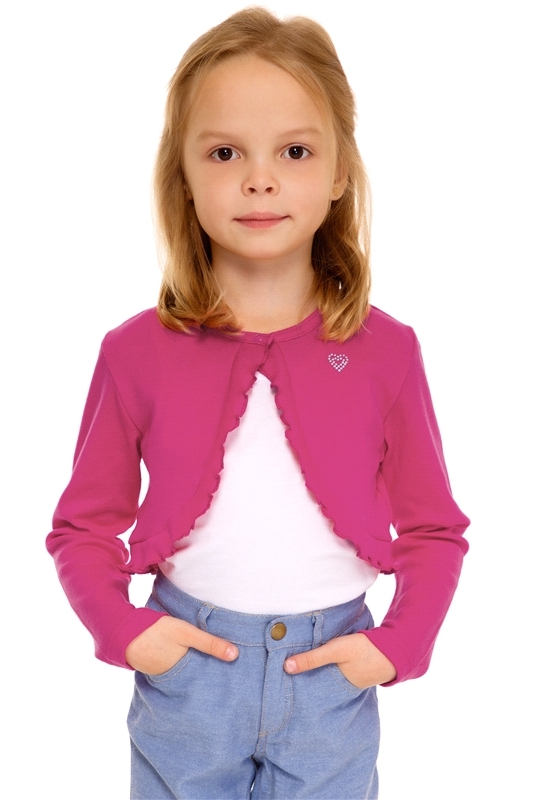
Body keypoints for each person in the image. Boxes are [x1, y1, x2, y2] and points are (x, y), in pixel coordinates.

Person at [47, 7, 470, 799]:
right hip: (189, 678)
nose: (259, 179)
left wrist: (397, 645)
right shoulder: (132, 351)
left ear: (338, 172)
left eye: (294, 151)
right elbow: (83, 526)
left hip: (330, 679)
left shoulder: (387, 351)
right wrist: (126, 631)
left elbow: (432, 529)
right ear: (182, 174)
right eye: (224, 152)